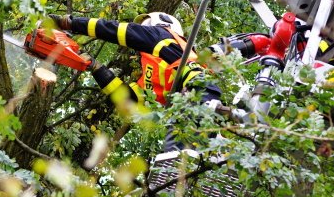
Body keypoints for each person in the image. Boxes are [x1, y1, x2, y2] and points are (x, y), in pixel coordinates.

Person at [49, 12, 222, 152]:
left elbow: (115, 30)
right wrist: (96, 67)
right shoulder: (154, 65)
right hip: (186, 108)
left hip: (199, 91)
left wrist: (70, 23)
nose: (139, 29)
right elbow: (127, 98)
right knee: (180, 157)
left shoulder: (160, 35)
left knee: (177, 154)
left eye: (143, 25)